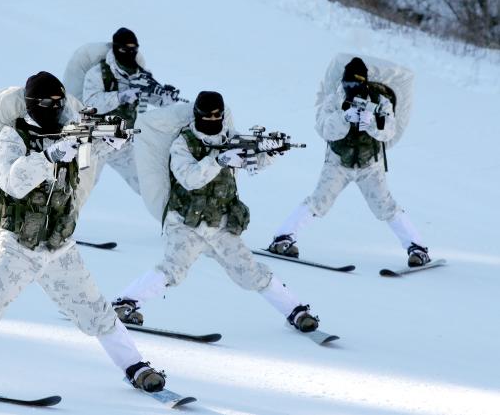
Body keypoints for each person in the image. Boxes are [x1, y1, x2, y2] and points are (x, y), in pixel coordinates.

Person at [0, 72, 165, 393]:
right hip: (19, 243)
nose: (55, 108)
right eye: (47, 103)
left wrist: (108, 144)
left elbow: (83, 163)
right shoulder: (12, 137)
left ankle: (135, 367)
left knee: (95, 309)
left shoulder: (70, 134)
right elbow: (13, 180)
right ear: (31, 104)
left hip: (59, 245)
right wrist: (51, 155)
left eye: (59, 102)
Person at [111, 91, 320, 334]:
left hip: (220, 224)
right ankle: (125, 304)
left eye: (217, 116)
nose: (212, 121)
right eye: (207, 116)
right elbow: (189, 179)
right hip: (185, 223)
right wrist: (219, 161)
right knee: (173, 268)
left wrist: (269, 153)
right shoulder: (183, 143)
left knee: (250, 272)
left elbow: (253, 163)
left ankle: (296, 311)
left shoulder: (232, 138)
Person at [267, 57, 431, 267]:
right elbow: (323, 129)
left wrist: (372, 123)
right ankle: (283, 238)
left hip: (369, 165)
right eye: (348, 84)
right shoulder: (334, 100)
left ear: (364, 82)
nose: (351, 88)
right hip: (338, 162)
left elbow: (390, 131)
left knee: (386, 207)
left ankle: (417, 248)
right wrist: (344, 118)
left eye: (356, 84)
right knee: (318, 202)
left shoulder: (380, 101)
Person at [79, 27, 178, 196]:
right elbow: (90, 104)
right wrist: (121, 96)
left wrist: (167, 97)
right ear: (116, 48)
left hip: (123, 143)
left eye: (134, 49)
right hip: (95, 141)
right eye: (125, 49)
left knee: (149, 186)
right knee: (80, 189)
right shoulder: (98, 73)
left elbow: (156, 99)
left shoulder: (141, 74)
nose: (130, 53)